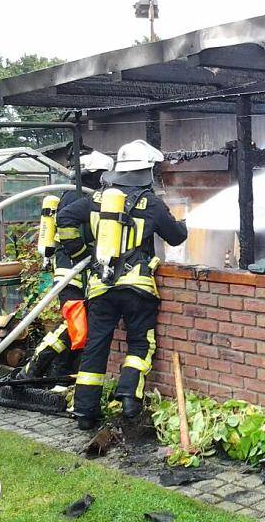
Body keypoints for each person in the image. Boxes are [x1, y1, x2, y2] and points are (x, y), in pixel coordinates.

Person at [56, 140, 187, 430]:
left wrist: (80, 253)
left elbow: (63, 217)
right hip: (137, 287)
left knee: (96, 345)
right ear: (147, 172)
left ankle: (85, 413)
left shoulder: (99, 198)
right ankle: (129, 398)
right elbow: (176, 238)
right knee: (141, 341)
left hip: (101, 287)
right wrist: (184, 223)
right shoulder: (151, 203)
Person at [17, 150, 113, 380]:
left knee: (77, 328)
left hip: (78, 272)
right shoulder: (77, 198)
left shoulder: (77, 194)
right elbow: (70, 232)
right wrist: (83, 253)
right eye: (103, 175)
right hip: (71, 272)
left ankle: (59, 374)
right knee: (75, 326)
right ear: (95, 174)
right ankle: (28, 373)